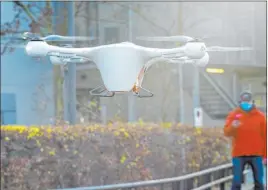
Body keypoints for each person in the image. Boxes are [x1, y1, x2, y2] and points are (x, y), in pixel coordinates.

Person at [224, 91, 267, 190]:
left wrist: (265, 155)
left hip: (256, 153)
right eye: (244, 101)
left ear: (252, 102)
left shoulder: (260, 117)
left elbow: (265, 136)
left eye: (248, 101)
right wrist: (232, 127)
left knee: (259, 182)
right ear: (240, 102)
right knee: (237, 182)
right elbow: (226, 132)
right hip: (239, 153)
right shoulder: (233, 115)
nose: (246, 104)